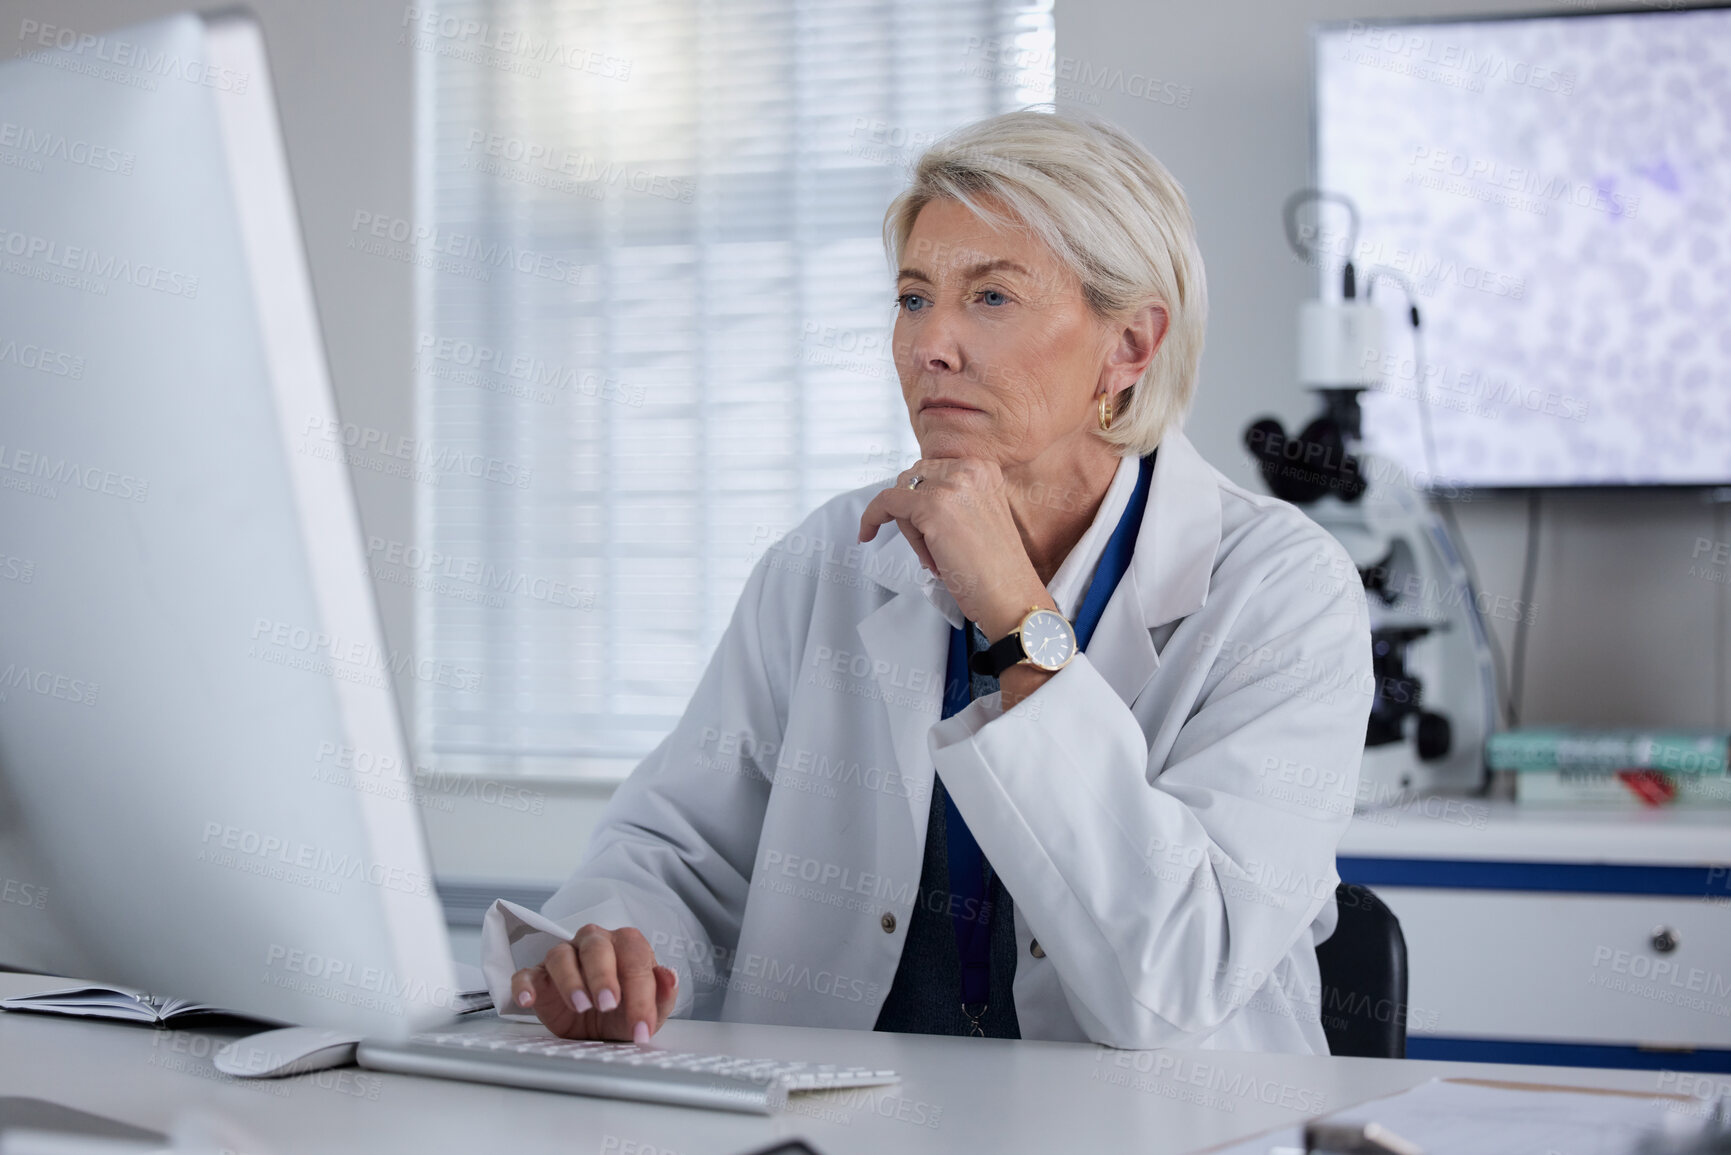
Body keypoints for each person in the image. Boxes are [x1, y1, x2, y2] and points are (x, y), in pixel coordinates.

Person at [484, 109, 1373, 1053]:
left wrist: (1016, 617)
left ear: (1130, 346)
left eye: (990, 298)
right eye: (914, 297)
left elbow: (1176, 979)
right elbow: (679, 855)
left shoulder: (1281, 591)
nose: (928, 345)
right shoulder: (831, 558)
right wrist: (620, 949)